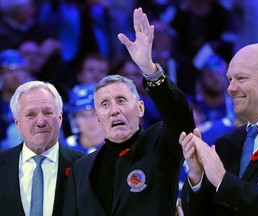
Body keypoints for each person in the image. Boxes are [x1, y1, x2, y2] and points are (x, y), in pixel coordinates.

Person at [63, 7, 195, 216]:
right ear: (98, 118)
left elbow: (180, 117)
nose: (114, 110)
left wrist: (149, 69)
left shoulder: (160, 146)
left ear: (141, 108)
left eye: (121, 100)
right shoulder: (81, 169)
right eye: (105, 104)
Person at [179, 43, 258, 215]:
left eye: (241, 78)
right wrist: (197, 177)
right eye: (230, 79)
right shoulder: (226, 142)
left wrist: (224, 181)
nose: (230, 88)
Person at [0, 81, 85, 215]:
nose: (40, 122)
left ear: (60, 117)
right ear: (17, 123)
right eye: (31, 115)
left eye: (47, 113)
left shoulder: (84, 166)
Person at [64, 83, 105, 154]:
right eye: (82, 115)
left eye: (94, 113)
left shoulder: (121, 145)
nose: (90, 121)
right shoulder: (63, 149)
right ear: (74, 118)